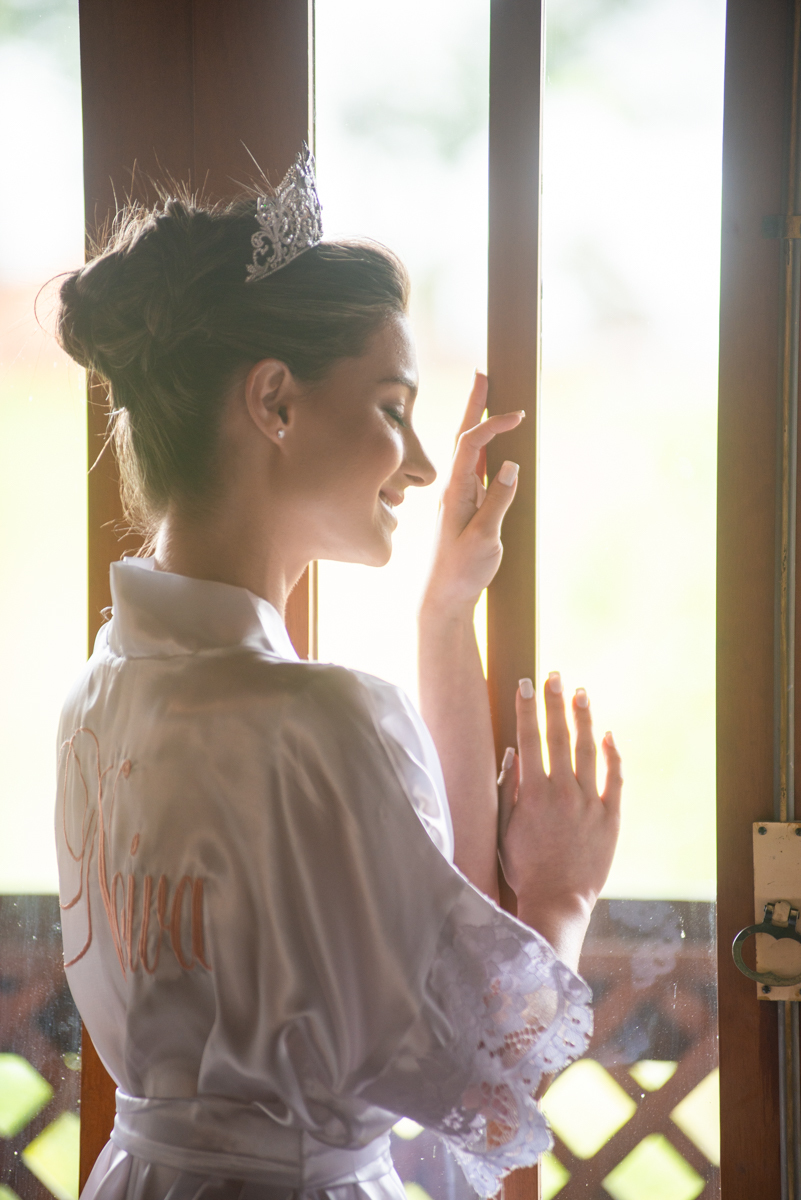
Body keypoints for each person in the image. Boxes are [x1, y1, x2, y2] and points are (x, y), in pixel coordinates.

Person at [54, 151, 622, 1200]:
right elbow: (477, 1078)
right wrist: (563, 892)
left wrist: (444, 614)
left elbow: (396, 912)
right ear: (274, 400)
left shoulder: (99, 699)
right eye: (395, 407)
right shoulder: (314, 721)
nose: (415, 462)